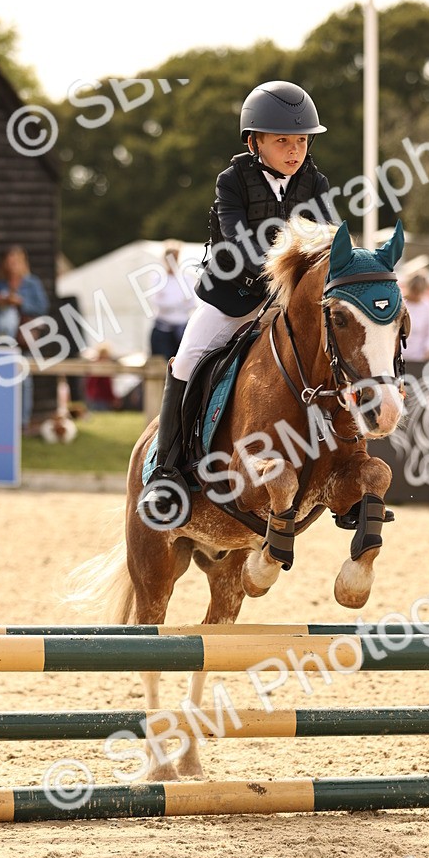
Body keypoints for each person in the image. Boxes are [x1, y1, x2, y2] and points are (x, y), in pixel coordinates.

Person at [138, 80, 334, 526]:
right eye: (282, 140)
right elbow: (236, 240)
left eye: (301, 140)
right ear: (254, 141)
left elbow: (325, 242)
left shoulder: (315, 181)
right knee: (186, 360)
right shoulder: (233, 181)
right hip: (234, 297)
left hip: (289, 306)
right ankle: (165, 472)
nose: (294, 150)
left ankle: (337, 462)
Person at [0, 245, 49, 431]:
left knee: (24, 380)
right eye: (9, 260)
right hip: (1, 334)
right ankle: (0, 421)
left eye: (16, 260)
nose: (12, 264)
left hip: (24, 340)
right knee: (6, 315)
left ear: (23, 262)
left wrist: (21, 302)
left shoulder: (32, 284)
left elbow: (42, 308)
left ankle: (22, 423)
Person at [149, 243, 196, 358]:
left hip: (182, 329)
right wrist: (180, 302)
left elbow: (192, 303)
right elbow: (157, 302)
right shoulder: (158, 278)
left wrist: (170, 303)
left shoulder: (187, 279)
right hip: (162, 330)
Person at [400, 272, 429, 362]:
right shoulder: (400, 303)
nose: (416, 295)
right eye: (414, 291)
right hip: (399, 356)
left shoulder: (427, 306)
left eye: (419, 292)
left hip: (418, 357)